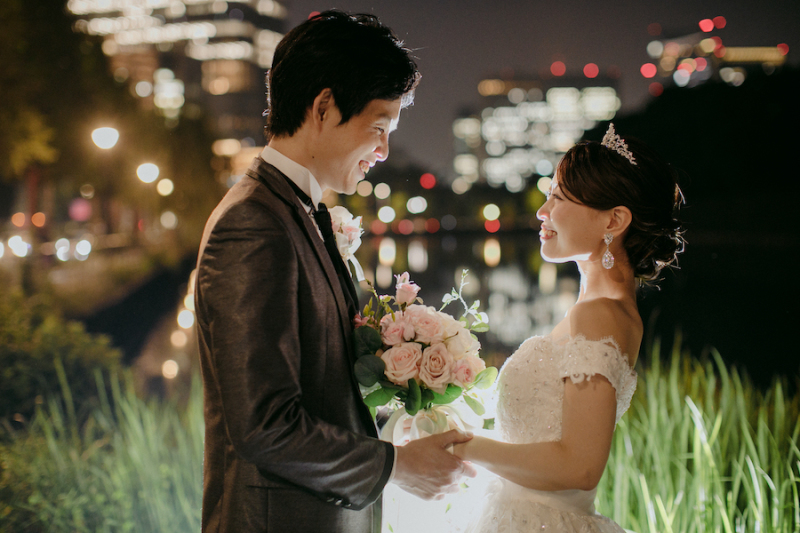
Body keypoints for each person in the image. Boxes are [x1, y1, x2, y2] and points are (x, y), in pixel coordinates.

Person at [194, 11, 474, 533]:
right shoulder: (253, 224)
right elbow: (265, 426)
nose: (384, 151)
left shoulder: (304, 212)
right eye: (378, 128)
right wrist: (396, 468)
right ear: (323, 107)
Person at [452, 124, 684, 532]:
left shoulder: (599, 315)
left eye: (558, 197)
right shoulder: (603, 311)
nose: (542, 212)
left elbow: (579, 466)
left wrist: (462, 447)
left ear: (614, 220)